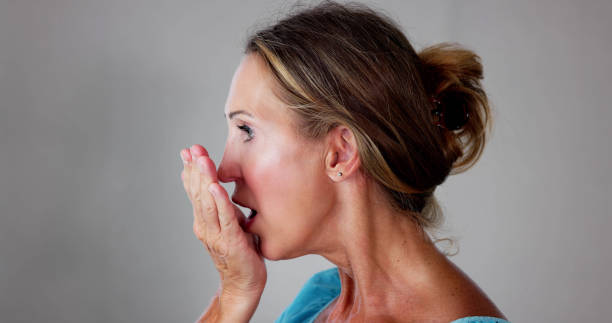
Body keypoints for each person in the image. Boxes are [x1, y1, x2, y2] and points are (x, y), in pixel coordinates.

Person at [179, 1, 509, 322]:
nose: (224, 170)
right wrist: (234, 294)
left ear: (342, 153)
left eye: (247, 130)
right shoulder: (320, 300)